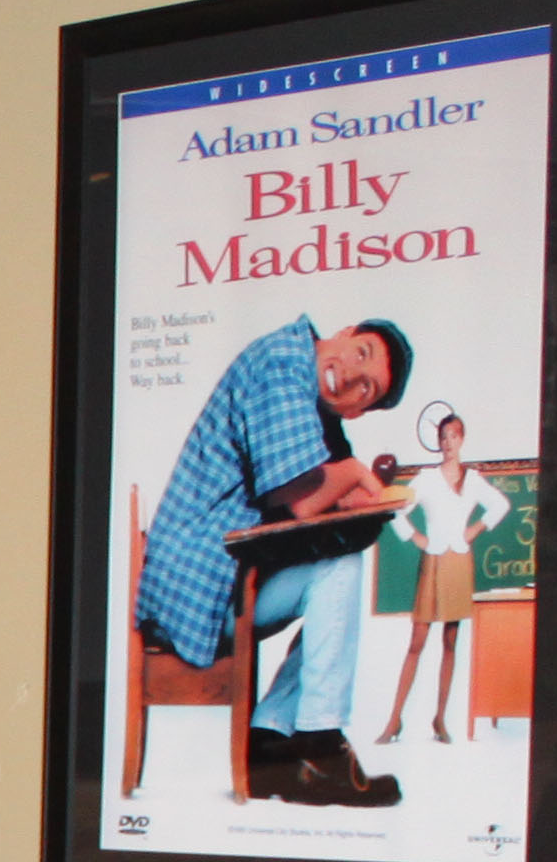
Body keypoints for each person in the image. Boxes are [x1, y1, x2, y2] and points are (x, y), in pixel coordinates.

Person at [131, 312, 412, 807]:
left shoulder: (308, 396)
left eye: (366, 388)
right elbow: (299, 496)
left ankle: (270, 742)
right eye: (360, 352)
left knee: (338, 566)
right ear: (344, 333)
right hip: (194, 592)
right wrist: (354, 474)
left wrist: (358, 495)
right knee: (337, 568)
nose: (350, 375)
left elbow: (321, 495)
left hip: (225, 583)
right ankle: (319, 744)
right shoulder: (282, 363)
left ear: (356, 412)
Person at [381, 408, 511, 742]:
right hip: (434, 561)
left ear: (462, 439)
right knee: (417, 642)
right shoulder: (426, 479)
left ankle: (440, 720)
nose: (449, 442)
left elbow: (501, 505)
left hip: (459, 563)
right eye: (443, 437)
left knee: (450, 641)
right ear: (438, 442)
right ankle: (393, 721)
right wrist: (416, 537)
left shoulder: (474, 479)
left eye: (454, 436)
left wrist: (475, 529)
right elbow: (394, 510)